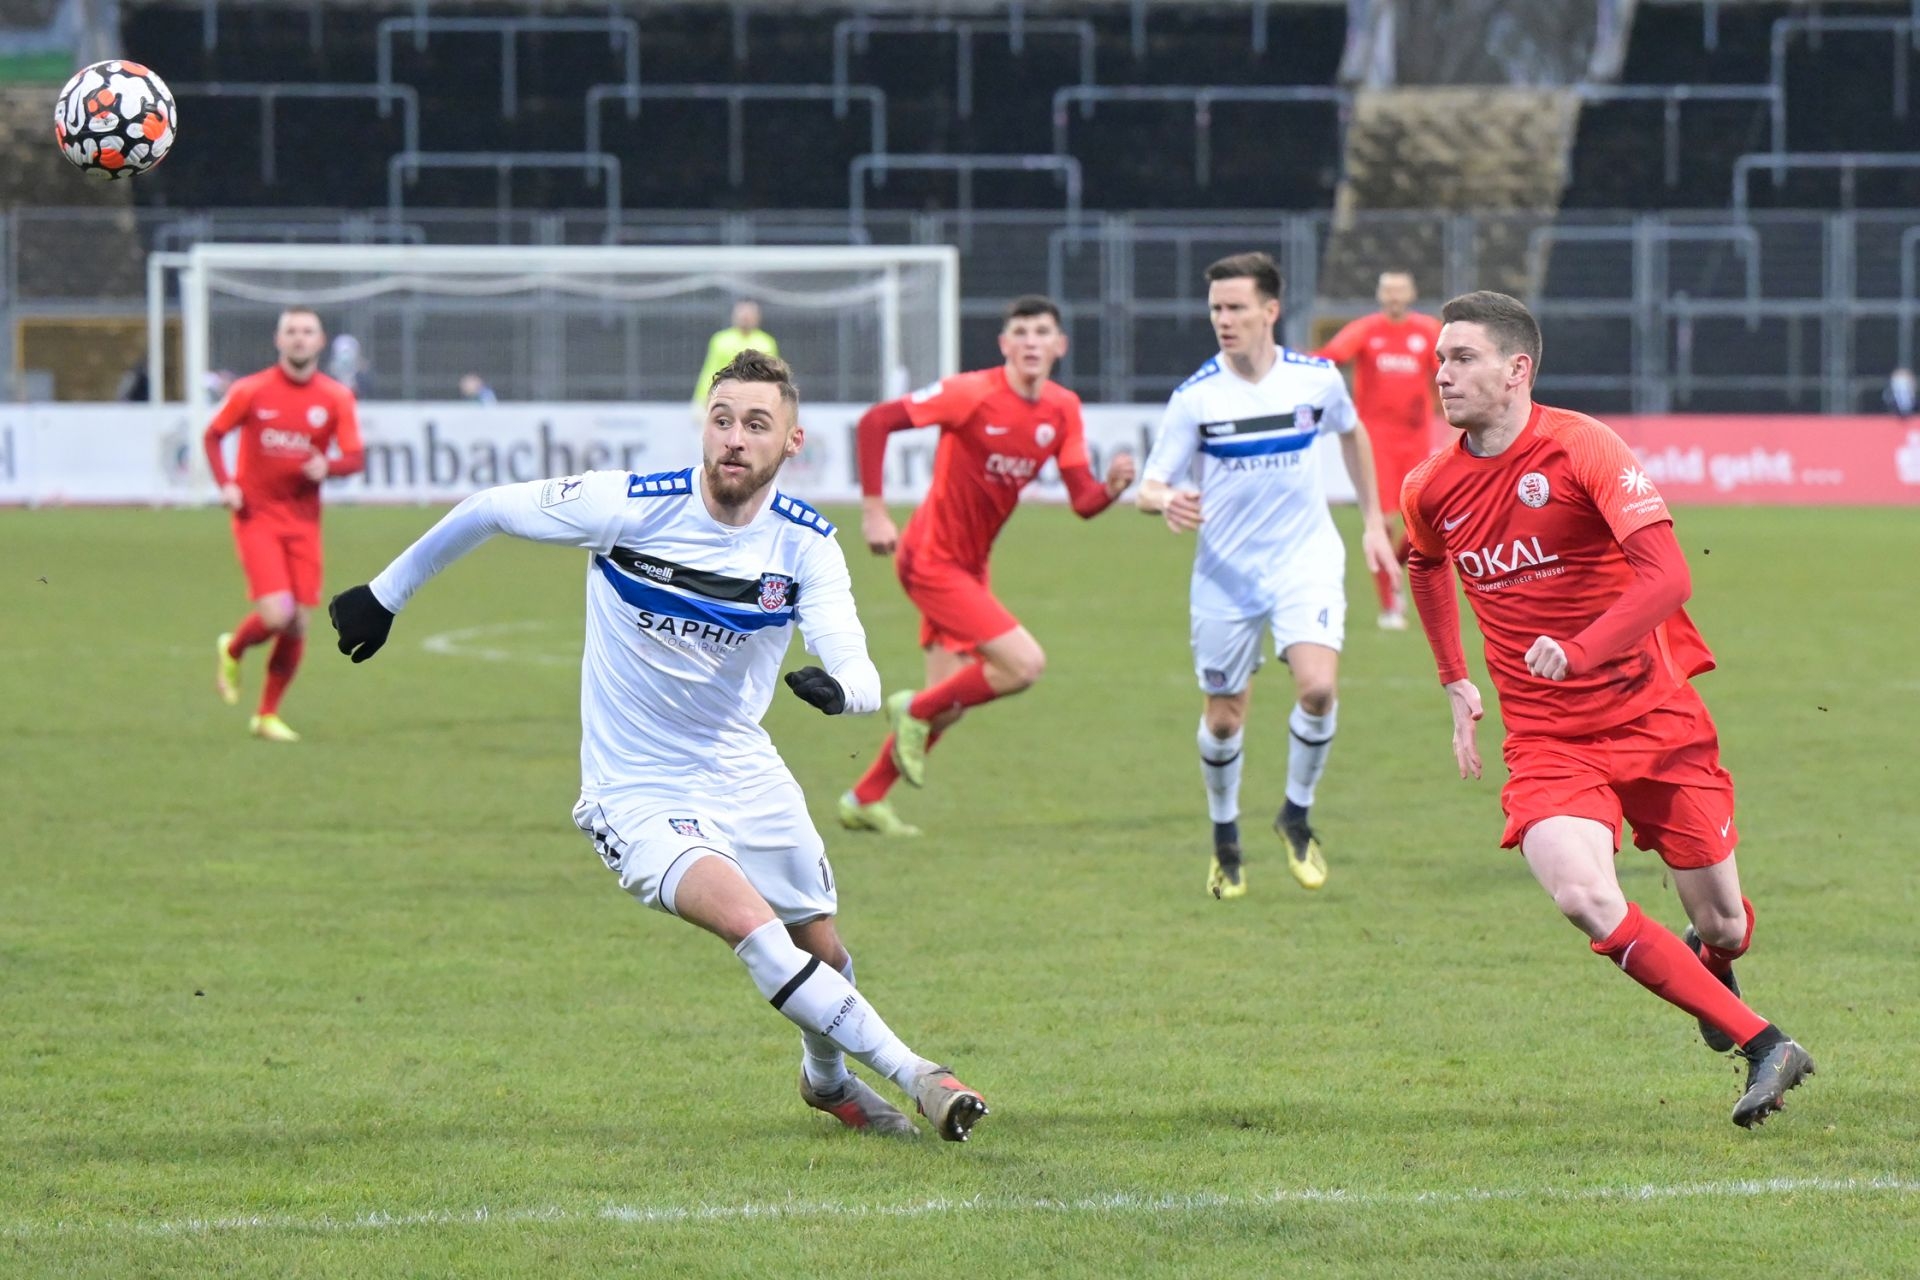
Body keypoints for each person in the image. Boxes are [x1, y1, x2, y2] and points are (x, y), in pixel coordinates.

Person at [326, 350, 990, 1142]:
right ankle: (920, 1074)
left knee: (825, 950)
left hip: (744, 770)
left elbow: (859, 667)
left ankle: (827, 1081)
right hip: (635, 788)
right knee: (756, 930)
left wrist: (841, 691)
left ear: (792, 442)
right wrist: (383, 595)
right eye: (721, 420)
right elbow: (491, 507)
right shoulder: (629, 506)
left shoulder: (806, 545)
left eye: (756, 424)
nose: (734, 439)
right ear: (701, 428)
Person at [1401, 290, 1815, 1128]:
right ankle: (1767, 1045)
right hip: (1549, 740)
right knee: (1585, 897)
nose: (1441, 373)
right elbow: (1424, 565)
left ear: (1518, 369)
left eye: (1462, 357)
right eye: (1440, 358)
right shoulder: (1430, 483)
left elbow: (1669, 577)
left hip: (1653, 720)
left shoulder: (1582, 447)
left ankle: (1710, 965)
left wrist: (1581, 648)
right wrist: (1455, 678)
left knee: (1727, 924)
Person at [1138, 253, 1395, 899]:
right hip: (1225, 576)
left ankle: (1296, 815)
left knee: (1316, 689)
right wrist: (1165, 499)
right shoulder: (1196, 397)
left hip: (1305, 562)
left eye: (1236, 308)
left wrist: (1370, 521)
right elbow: (1150, 484)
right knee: (1224, 719)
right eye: (1216, 309)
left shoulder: (1315, 379)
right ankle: (1225, 837)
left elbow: (1353, 435)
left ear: (1270, 311)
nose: (1223, 320)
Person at [838, 295, 1136, 837]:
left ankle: (864, 797)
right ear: (1004, 345)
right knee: (1023, 665)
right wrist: (874, 512)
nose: (1030, 341)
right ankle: (913, 708)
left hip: (971, 567)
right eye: (1019, 331)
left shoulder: (1063, 408)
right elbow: (875, 422)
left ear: (1059, 345)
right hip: (930, 559)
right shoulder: (970, 392)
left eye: (1042, 331)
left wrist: (1112, 488)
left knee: (950, 704)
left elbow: (1083, 501)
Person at [206, 306, 364, 742]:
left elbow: (355, 457)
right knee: (279, 613)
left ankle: (266, 716)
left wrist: (327, 467)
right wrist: (226, 484)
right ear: (279, 341)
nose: (298, 338)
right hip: (256, 516)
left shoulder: (335, 398)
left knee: (298, 624)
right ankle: (233, 648)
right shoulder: (251, 391)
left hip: (304, 522)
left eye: (307, 331)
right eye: (291, 331)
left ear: (320, 341)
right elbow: (213, 434)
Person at [1315, 270, 1444, 630]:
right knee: (1382, 520)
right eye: (1387, 290)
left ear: (1412, 293)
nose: (1394, 297)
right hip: (1375, 442)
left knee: (1426, 517)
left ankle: (1395, 566)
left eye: (1400, 290)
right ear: (1379, 294)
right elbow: (1332, 355)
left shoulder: (1428, 330)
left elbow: (1446, 369)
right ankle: (1390, 604)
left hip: (1416, 439)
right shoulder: (1365, 329)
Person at [692, 300, 779, 412]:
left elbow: (773, 375)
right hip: (722, 398)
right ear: (734, 316)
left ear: (757, 318)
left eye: (749, 315)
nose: (745, 318)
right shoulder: (720, 340)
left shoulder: (766, 342)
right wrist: (702, 398)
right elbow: (710, 370)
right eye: (742, 314)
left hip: (755, 401)